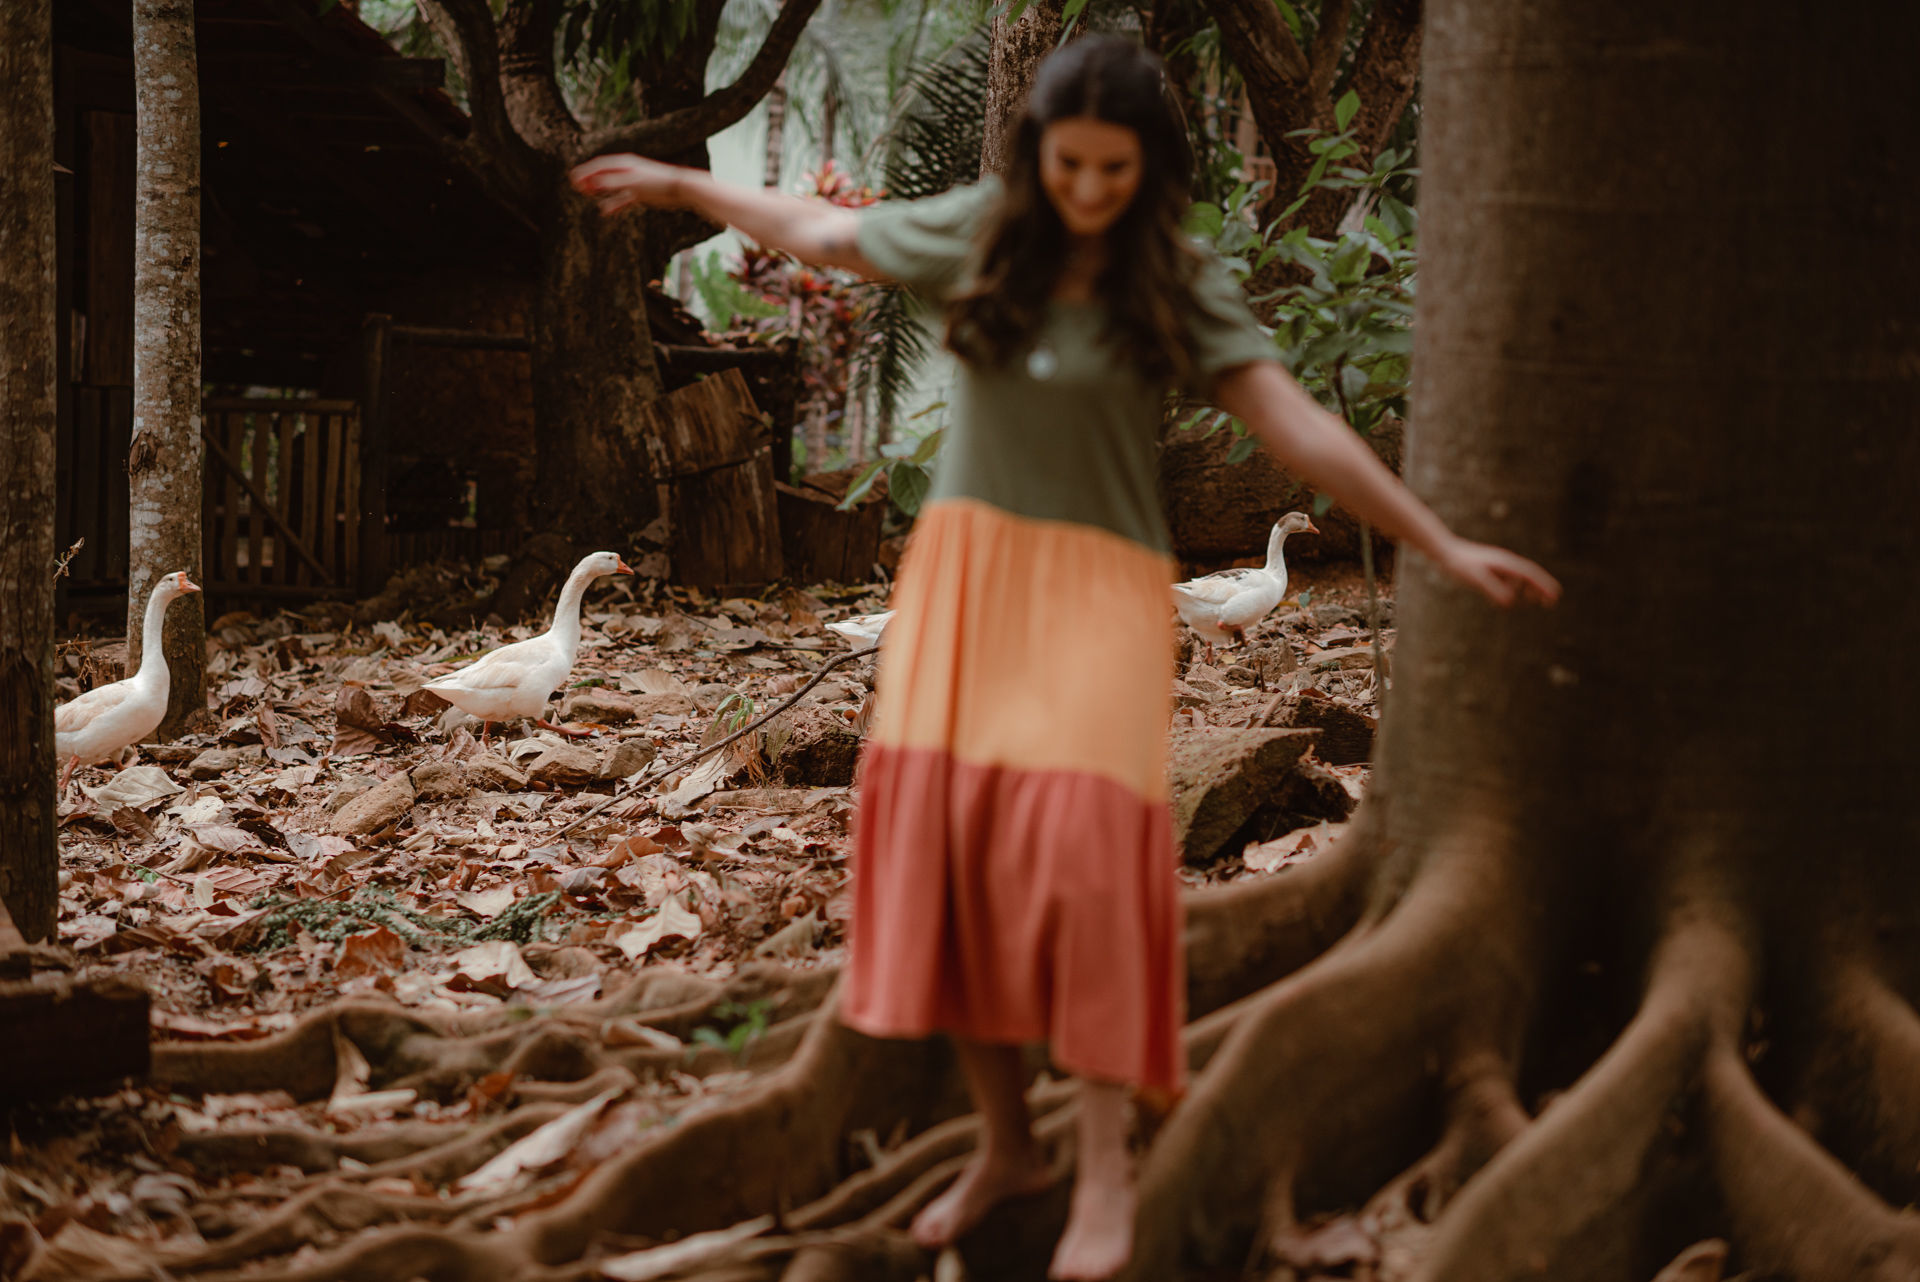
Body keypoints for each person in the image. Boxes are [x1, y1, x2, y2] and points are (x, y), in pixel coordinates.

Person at [572, 33, 1558, 1280]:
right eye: (1069, 162)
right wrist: (682, 188)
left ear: (1149, 168)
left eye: (1114, 167)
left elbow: (1294, 422)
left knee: (1088, 872)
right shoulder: (985, 232)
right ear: (1040, 154)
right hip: (968, 587)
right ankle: (1006, 1146)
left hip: (1099, 599)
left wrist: (1440, 543)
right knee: (957, 855)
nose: (1088, 187)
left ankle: (1102, 1168)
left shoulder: (1172, 280)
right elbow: (820, 235)